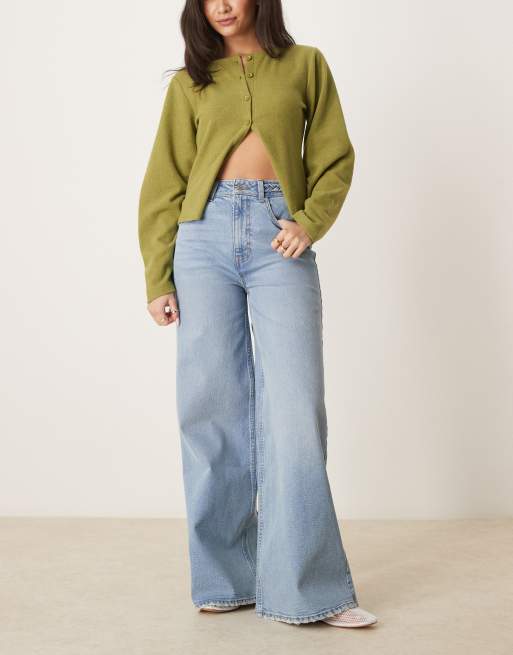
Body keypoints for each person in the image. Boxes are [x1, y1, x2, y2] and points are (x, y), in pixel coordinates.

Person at [138, 0, 378, 628]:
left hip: (280, 235)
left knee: (296, 410)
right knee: (210, 407)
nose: (221, 5)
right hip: (202, 239)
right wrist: (158, 276)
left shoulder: (306, 64)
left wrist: (309, 220)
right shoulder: (191, 81)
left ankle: (310, 590)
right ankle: (224, 579)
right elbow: (164, 179)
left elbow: (335, 156)